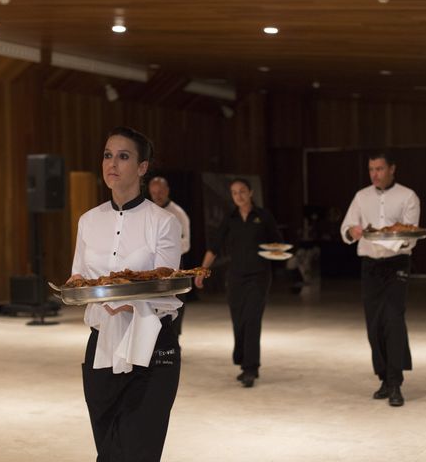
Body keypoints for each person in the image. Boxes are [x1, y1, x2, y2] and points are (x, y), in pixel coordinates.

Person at [67, 126, 183, 461]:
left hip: (151, 346)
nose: (112, 163)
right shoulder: (88, 221)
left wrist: (130, 302)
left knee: (139, 451)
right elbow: (80, 278)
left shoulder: (164, 222)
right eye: (107, 155)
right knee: (107, 450)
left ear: (143, 168)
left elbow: (166, 287)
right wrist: (80, 290)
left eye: (123, 156)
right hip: (101, 344)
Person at [340, 152, 420, 408]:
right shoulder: (361, 197)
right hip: (370, 266)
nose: (374, 174)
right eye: (371, 169)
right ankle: (384, 378)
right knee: (374, 324)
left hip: (397, 264)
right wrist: (352, 232)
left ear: (392, 169)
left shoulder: (408, 196)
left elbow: (412, 235)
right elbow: (347, 230)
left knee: (393, 320)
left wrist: (391, 237)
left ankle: (396, 383)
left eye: (379, 169)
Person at [194, 178, 282, 388]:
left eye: (242, 191)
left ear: (250, 192)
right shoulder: (230, 218)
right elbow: (214, 247)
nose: (239, 196)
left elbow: (277, 242)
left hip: (259, 276)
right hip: (235, 277)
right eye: (234, 193)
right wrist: (202, 271)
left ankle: (251, 368)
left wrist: (276, 253)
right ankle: (243, 361)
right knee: (239, 320)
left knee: (252, 318)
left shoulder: (263, 216)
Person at [148, 176, 191, 338]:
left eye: (160, 192)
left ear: (167, 191)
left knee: (175, 304)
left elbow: (186, 242)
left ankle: (174, 339)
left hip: (174, 266)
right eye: (154, 193)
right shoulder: (148, 211)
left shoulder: (178, 213)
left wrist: (165, 249)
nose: (157, 196)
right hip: (151, 266)